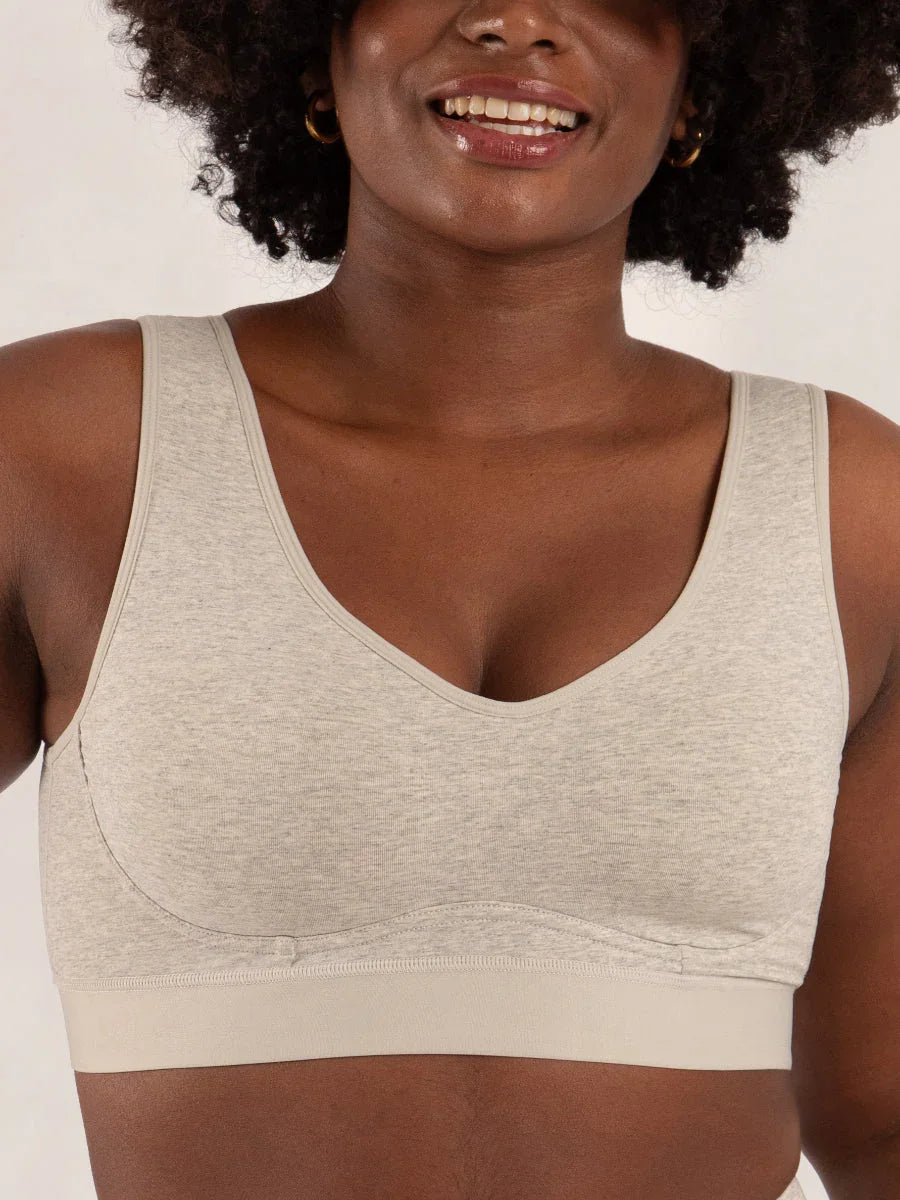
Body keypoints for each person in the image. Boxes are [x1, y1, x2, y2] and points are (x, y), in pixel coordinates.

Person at [1, 1, 899, 1198]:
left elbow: (881, 1118)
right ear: (317, 45)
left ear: (698, 84)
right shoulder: (62, 450)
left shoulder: (853, 511)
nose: (516, 20)